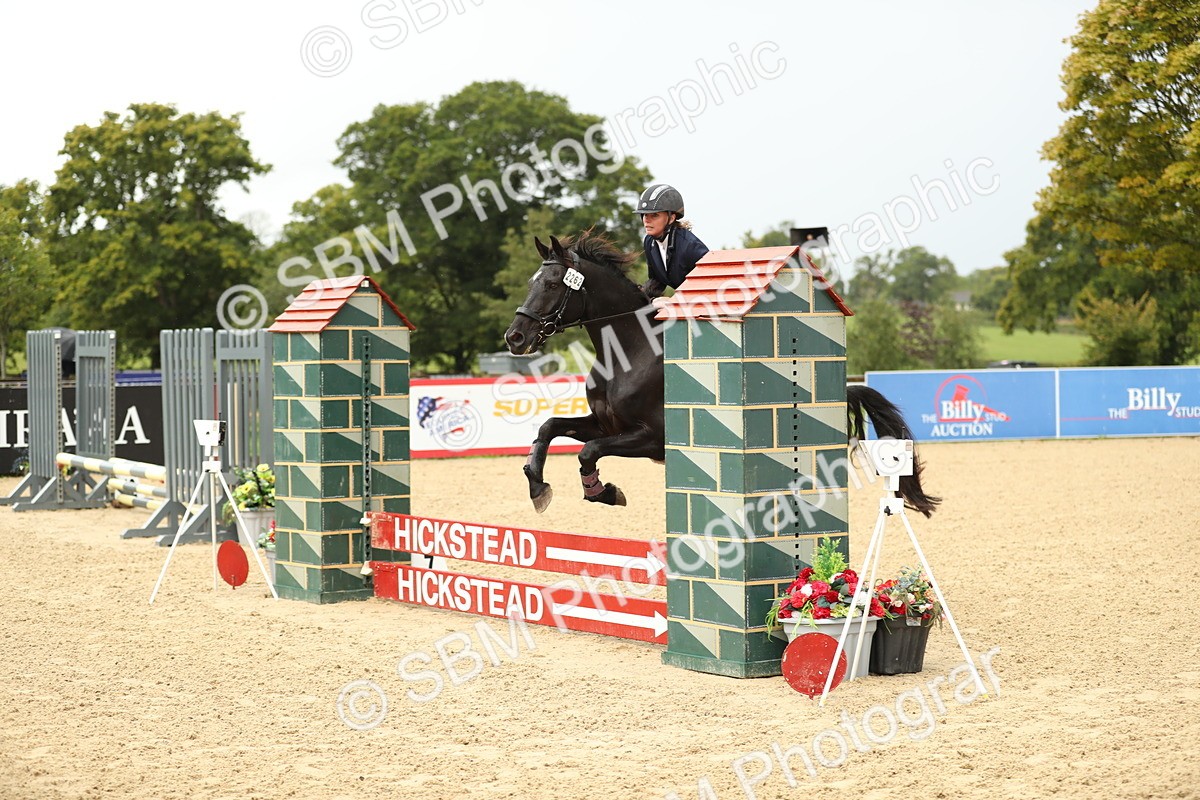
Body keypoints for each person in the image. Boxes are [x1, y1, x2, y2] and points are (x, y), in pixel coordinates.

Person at [635, 183, 709, 299]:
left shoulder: (690, 247)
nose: (647, 220)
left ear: (672, 218)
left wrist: (672, 302)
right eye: (644, 215)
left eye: (654, 215)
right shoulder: (649, 242)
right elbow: (656, 281)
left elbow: (707, 285)